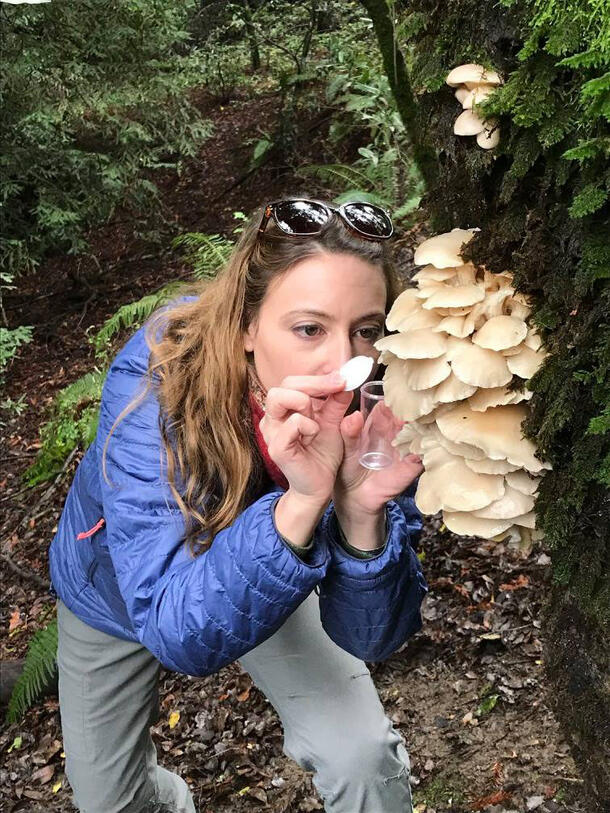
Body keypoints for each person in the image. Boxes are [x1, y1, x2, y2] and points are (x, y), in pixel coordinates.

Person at [49, 197, 428, 813]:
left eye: (366, 329)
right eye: (309, 329)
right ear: (248, 325)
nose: (345, 362)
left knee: (360, 755)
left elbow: (373, 636)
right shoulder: (158, 379)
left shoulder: (373, 408)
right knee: (108, 800)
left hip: (269, 566)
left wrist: (358, 512)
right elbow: (173, 627)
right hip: (117, 589)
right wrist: (302, 499)